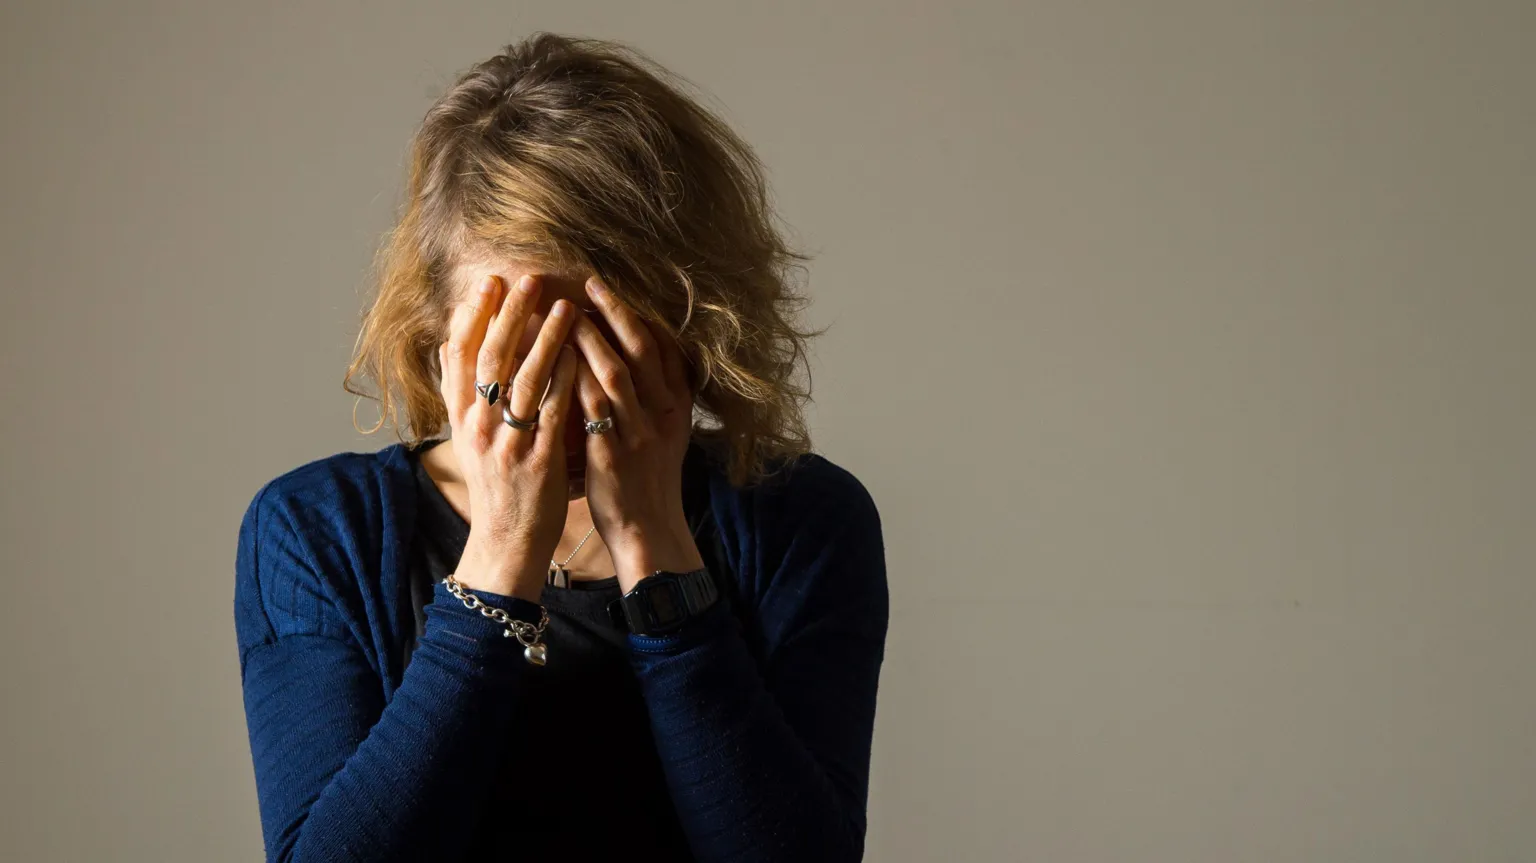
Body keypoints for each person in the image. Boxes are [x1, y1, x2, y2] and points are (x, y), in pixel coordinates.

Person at [234, 33, 888, 862]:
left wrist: (653, 543)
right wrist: (503, 547)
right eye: (520, 343)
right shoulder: (316, 532)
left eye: (605, 343)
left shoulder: (801, 519)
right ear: (438, 332)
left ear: (688, 327)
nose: (564, 395)